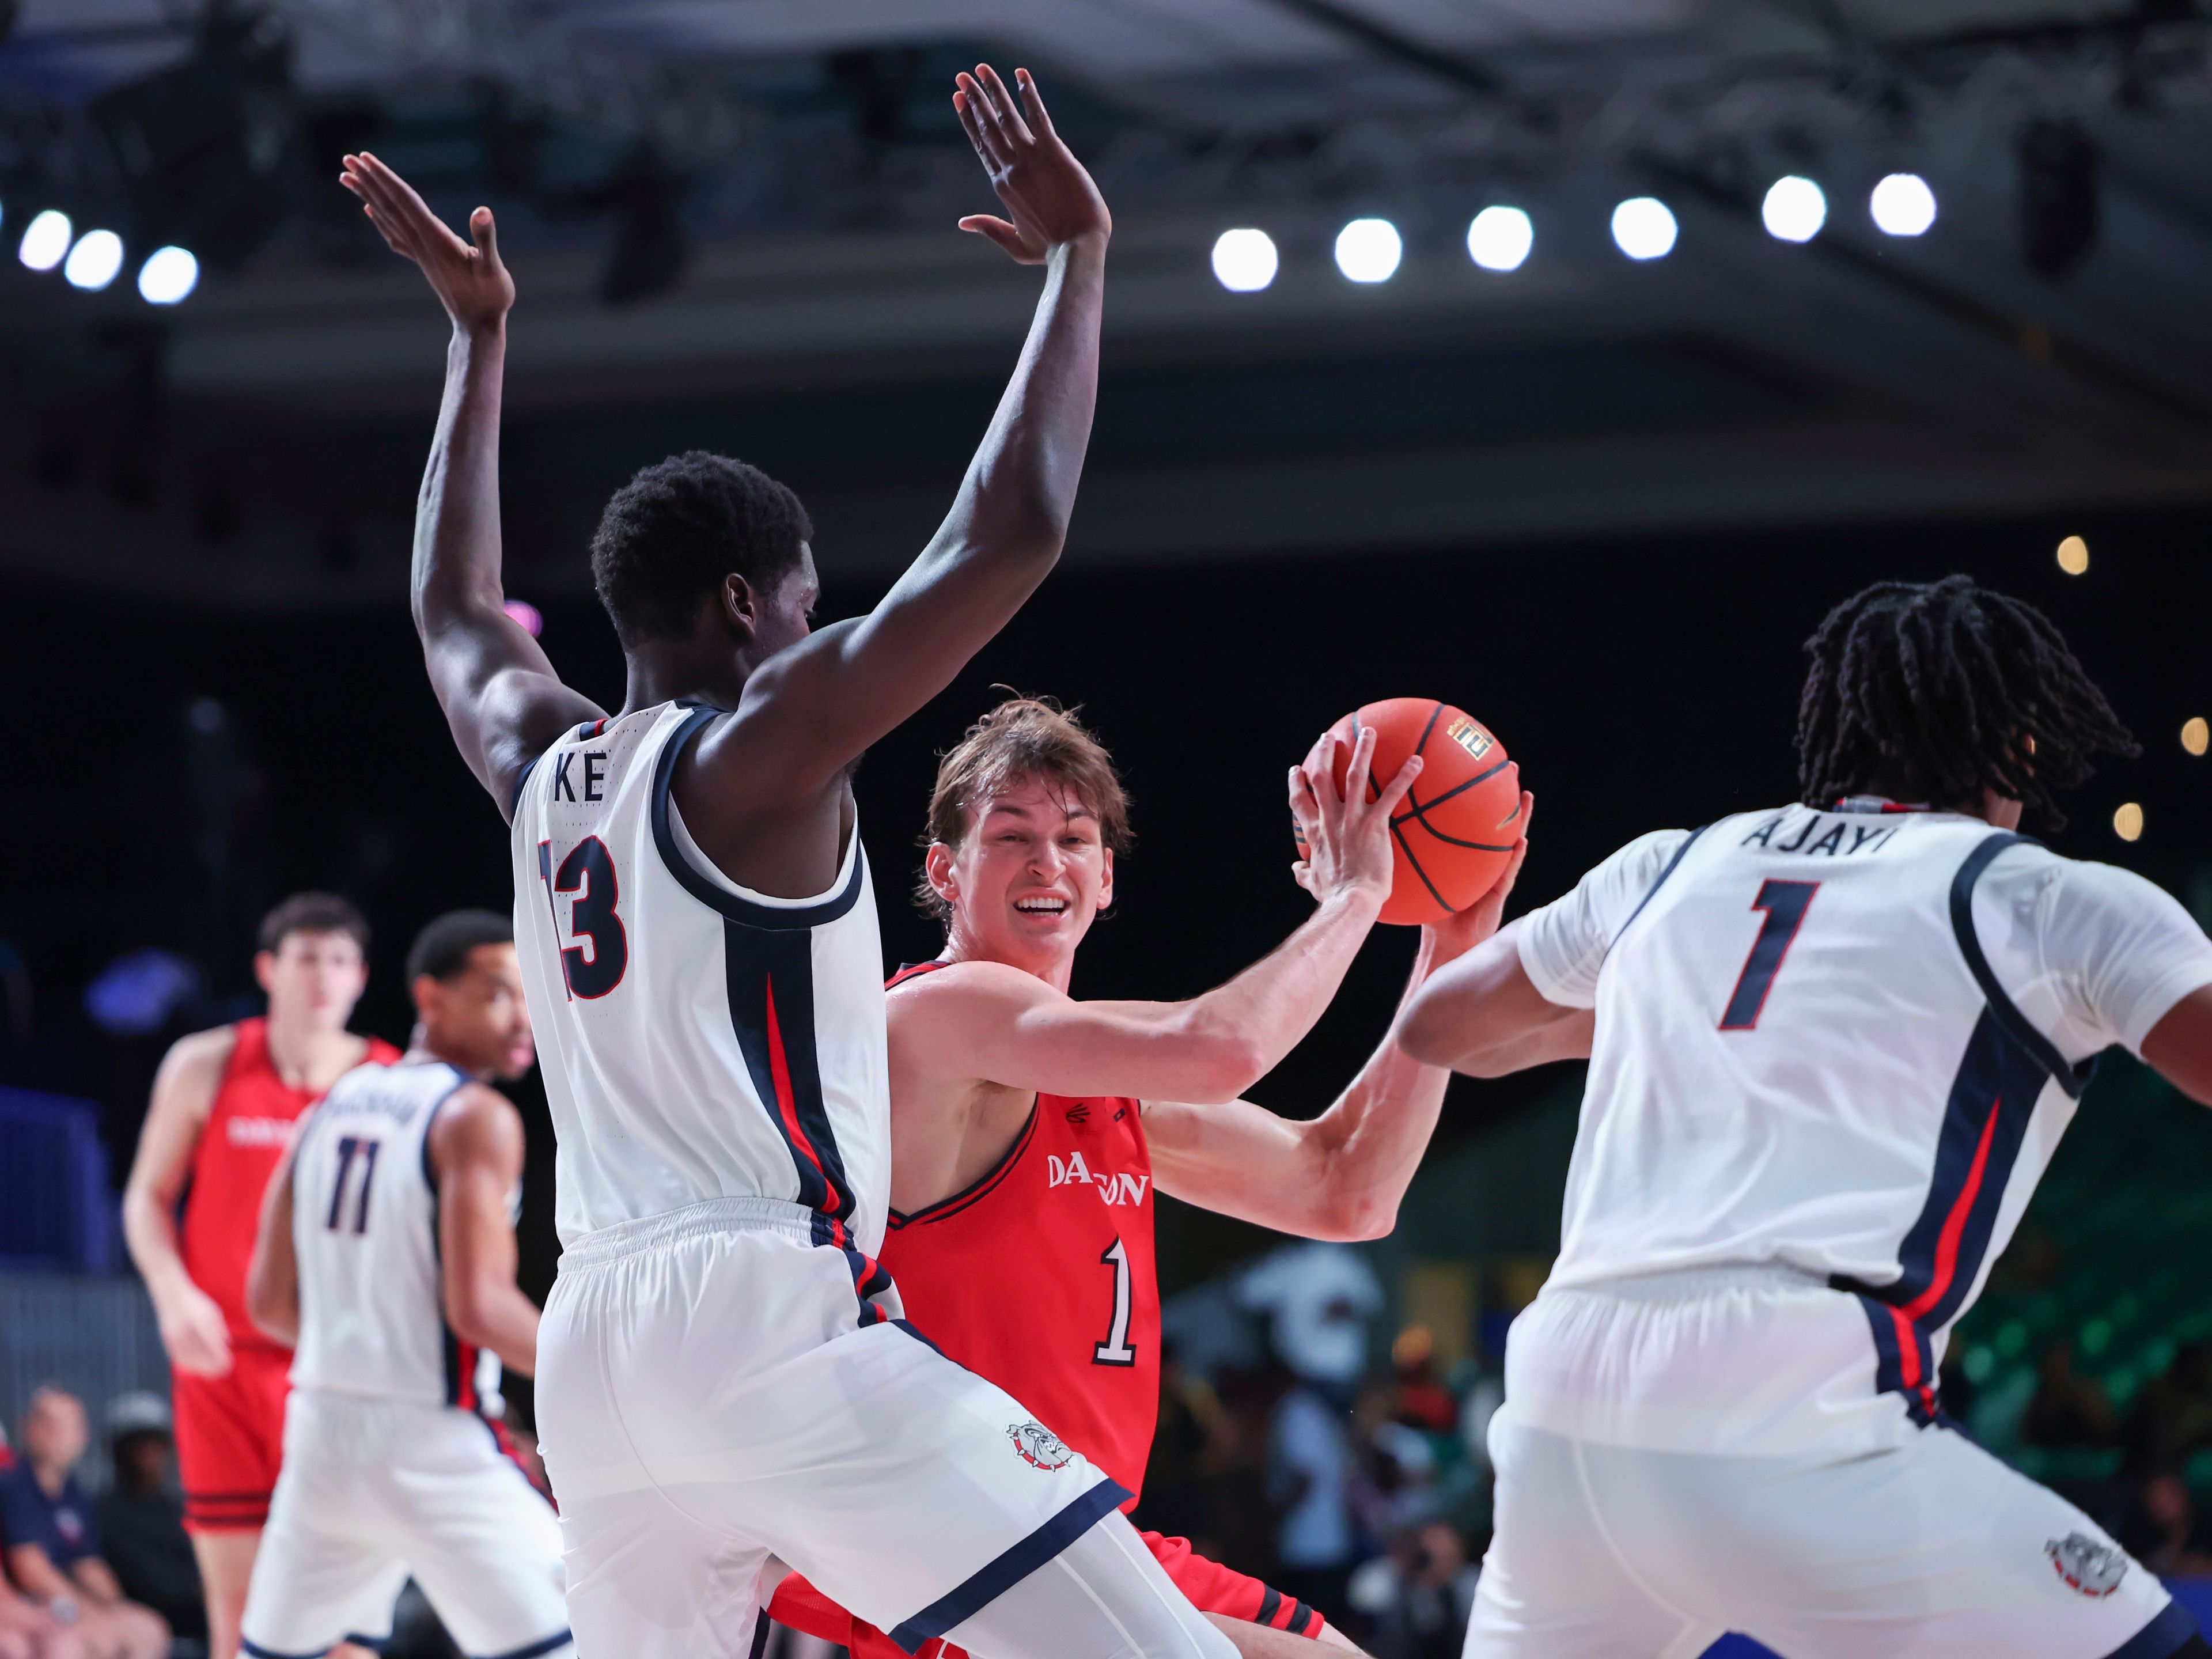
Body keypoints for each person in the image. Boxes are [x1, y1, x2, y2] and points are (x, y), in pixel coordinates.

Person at [344, 62, 1237, 1659]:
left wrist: (478, 344)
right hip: (769, 1316)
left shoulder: (541, 768)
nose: (828, 625)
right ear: (755, 607)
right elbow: (1010, 531)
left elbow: (455, 617)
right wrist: (1080, 268)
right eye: (815, 597)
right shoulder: (761, 754)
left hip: (599, 1350)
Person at [1401, 575, 2212, 1659]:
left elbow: (1436, 1028)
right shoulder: (2043, 897)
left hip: (1566, 1405)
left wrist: (1654, 1015)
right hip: (1795, 1391)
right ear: (2021, 747)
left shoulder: (1671, 862)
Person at [768, 697, 1532, 1657]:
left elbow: (1347, 1189)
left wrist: (1451, 949)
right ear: (944, 873)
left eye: (1073, 838)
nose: (1048, 863)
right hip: (951, 1536)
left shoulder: (1106, 1082)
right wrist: (1354, 897)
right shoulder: (935, 1019)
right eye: (1012, 837)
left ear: (1105, 878)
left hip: (1076, 1532)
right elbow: (1223, 1047)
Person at [238, 911, 567, 1659]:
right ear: (431, 999)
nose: (524, 1016)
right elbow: (479, 1308)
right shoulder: (475, 1115)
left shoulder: (332, 1105)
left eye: (531, 994)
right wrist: (601, 1373)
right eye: (498, 994)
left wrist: (366, 1344)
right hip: (429, 1434)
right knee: (593, 1638)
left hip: (321, 1430)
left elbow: (267, 1303)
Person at [120, 893, 398, 1659]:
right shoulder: (206, 1063)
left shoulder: (390, 1081)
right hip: (224, 1367)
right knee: (236, 1620)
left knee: (347, 1626)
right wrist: (173, 1296)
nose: (323, 976)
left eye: (340, 961)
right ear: (268, 970)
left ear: (360, 979)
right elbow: (146, 1197)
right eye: (307, 958)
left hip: (341, 1373)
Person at [0, 1389, 167, 1659]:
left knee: (145, 1628)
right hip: (39, 1605)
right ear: (27, 1426)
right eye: (46, 1422)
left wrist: (113, 1607)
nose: (55, 1433)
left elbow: (89, 1565)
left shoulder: (75, 1494)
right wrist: (84, 1613)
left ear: (82, 1434)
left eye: (66, 1425)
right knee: (70, 1646)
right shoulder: (13, 1485)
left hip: (69, 1603)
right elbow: (32, 1571)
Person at [90, 1394, 204, 1646]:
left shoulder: (179, 1509)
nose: (151, 1455)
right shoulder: (104, 1513)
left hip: (201, 1619)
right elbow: (145, 1579)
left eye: (158, 1445)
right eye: (140, 1446)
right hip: (148, 1622)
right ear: (119, 1452)